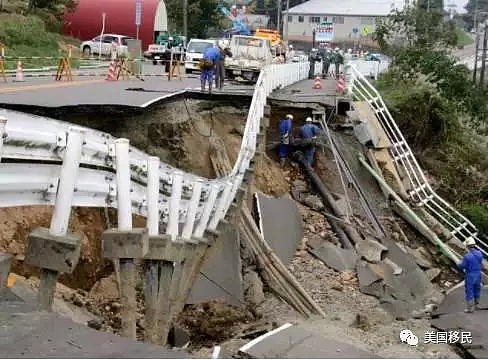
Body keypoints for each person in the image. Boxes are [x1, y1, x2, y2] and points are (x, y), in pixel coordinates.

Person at [458, 238, 483, 313]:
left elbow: (462, 266)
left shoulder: (467, 256)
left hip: (470, 275)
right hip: (478, 274)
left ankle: (470, 308)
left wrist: (458, 264)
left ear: (468, 246)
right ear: (474, 245)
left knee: (469, 290)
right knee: (477, 289)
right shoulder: (480, 253)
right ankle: (476, 305)